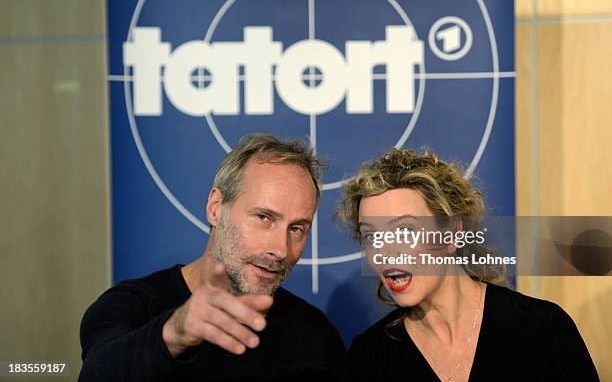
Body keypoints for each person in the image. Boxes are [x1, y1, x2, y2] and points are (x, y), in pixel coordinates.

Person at [78, 134, 346, 381]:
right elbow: (97, 372)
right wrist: (175, 333)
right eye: (264, 218)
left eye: (296, 229)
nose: (281, 249)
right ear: (215, 208)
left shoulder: (315, 336)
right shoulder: (132, 305)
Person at [339, 148, 599, 381]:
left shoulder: (543, 330)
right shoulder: (371, 357)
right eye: (372, 235)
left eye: (405, 231)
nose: (386, 252)